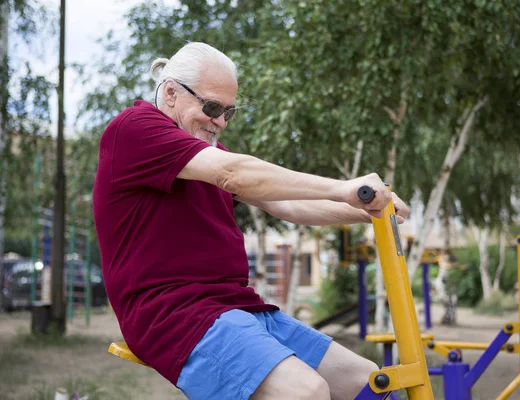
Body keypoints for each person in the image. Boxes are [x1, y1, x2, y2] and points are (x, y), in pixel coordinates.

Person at [93, 42, 410, 400]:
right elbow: (234, 174)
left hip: (239, 307)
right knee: (306, 392)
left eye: (229, 112)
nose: (219, 122)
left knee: (368, 382)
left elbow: (290, 206)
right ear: (170, 93)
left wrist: (370, 209)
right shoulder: (135, 130)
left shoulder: (208, 156)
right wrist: (343, 187)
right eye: (212, 107)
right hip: (175, 315)